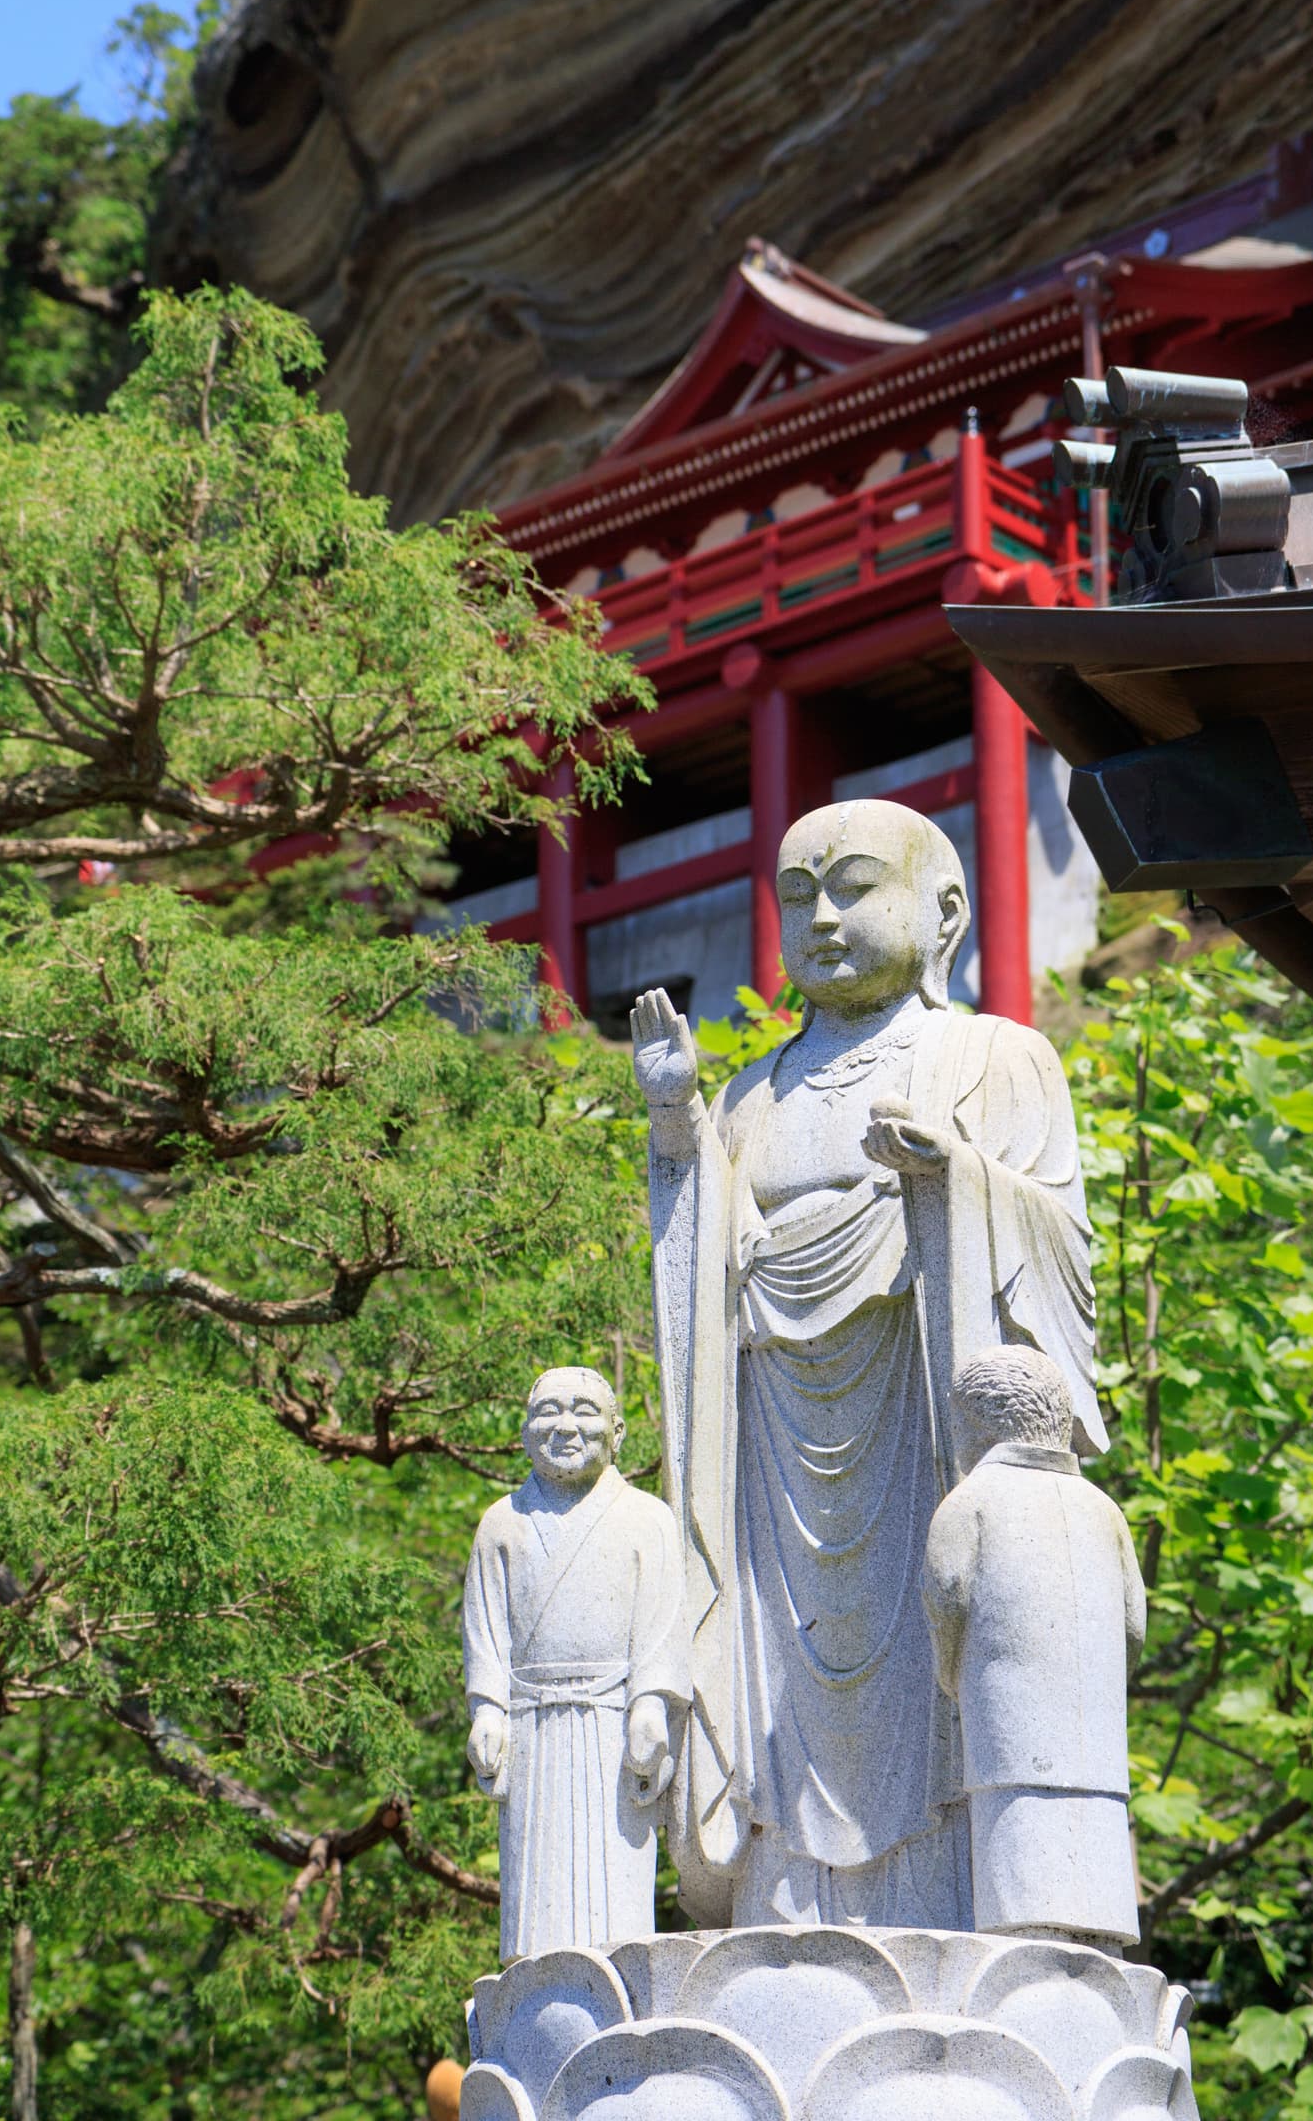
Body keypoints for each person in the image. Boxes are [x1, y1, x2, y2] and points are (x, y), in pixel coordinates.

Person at [632, 800, 1104, 1931]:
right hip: (773, 1469)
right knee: (771, 1681)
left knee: (940, 1678)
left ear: (944, 914)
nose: (824, 918)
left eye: (853, 887)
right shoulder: (749, 1095)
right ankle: (782, 1917)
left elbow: (1063, 1252)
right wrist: (674, 1126)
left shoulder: (998, 1058)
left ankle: (949, 1909)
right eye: (799, 897)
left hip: (921, 1434)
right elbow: (702, 1277)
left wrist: (956, 1183)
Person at [463, 1366, 692, 1960]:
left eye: (585, 1411)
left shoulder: (648, 1519)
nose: (566, 1426)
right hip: (532, 1725)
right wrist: (487, 1709)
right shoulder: (501, 1524)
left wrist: (651, 1706)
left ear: (617, 1432)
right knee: (532, 1903)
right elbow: (485, 1627)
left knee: (616, 1898)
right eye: (549, 1412)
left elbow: (662, 1623)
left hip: (610, 1724)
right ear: (524, 1432)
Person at [922, 1347, 1145, 1948]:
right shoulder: (1105, 1511)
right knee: (1098, 1914)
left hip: (1009, 1740)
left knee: (1019, 1915)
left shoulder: (969, 1503)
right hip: (1096, 1749)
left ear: (975, 1423)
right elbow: (1134, 1626)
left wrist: (952, 1676)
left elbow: (946, 1603)